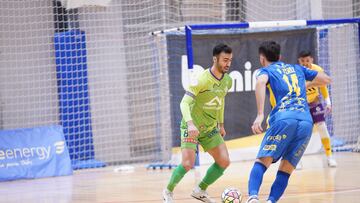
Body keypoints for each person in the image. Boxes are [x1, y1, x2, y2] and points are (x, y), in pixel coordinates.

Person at [246, 41, 331, 203]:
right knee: (286, 169)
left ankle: (253, 198)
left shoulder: (266, 70)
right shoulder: (297, 68)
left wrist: (259, 114)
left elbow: (260, 82)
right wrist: (310, 81)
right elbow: (326, 79)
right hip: (306, 121)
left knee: (263, 161)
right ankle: (270, 201)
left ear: (262, 58)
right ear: (280, 56)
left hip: (284, 117)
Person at [163, 43, 233, 203]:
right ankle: (168, 191)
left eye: (230, 60)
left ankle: (200, 190)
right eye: (224, 60)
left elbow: (220, 103)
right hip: (191, 126)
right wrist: (190, 124)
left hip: (209, 128)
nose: (228, 64)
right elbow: (183, 103)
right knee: (188, 164)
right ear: (215, 59)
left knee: (224, 161)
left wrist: (221, 125)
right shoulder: (201, 79)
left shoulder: (228, 81)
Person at [297, 51, 337, 168]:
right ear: (299, 61)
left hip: (315, 103)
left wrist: (328, 102)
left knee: (323, 128)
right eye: (302, 61)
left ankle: (329, 157)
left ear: (312, 60)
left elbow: (323, 87)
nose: (305, 63)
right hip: (302, 105)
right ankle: (296, 160)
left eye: (307, 61)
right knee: (300, 133)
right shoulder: (296, 72)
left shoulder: (318, 70)